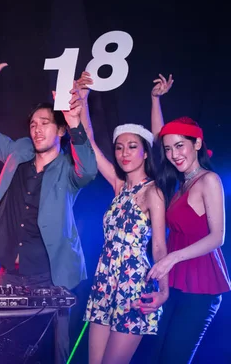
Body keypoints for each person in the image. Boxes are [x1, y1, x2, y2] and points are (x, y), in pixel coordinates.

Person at [0, 46, 98, 362]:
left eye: (45, 123)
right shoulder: (19, 153)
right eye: (33, 124)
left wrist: (77, 122)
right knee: (3, 348)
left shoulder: (69, 168)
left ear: (61, 130)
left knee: (53, 351)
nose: (37, 129)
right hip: (10, 275)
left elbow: (90, 169)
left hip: (51, 278)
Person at [77, 72, 168, 364]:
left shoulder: (154, 191)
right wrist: (84, 99)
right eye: (119, 147)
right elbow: (89, 141)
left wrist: (163, 291)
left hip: (134, 286)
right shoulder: (118, 186)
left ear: (144, 152)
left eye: (132, 146)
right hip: (105, 282)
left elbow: (159, 248)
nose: (124, 152)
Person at [141, 74, 230, 363]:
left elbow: (218, 237)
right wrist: (155, 99)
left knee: (174, 358)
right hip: (177, 280)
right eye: (169, 149)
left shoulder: (209, 180)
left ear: (197, 143)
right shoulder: (179, 183)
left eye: (180, 146)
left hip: (202, 282)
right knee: (158, 356)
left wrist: (170, 258)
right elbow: (159, 139)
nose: (173, 153)